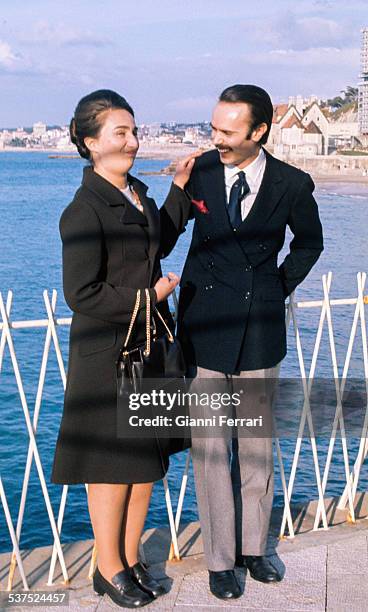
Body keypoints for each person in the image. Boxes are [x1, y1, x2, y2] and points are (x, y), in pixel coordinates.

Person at [163, 84, 324, 600]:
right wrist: (175, 190)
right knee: (211, 452)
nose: (217, 139)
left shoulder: (293, 184)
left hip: (258, 331)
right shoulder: (201, 172)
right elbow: (164, 239)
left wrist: (279, 284)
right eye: (214, 128)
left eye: (228, 131)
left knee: (255, 449)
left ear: (259, 131)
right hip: (204, 328)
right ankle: (220, 560)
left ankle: (255, 548)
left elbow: (310, 242)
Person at [51, 89, 197, 608]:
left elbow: (157, 238)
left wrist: (178, 187)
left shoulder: (134, 190)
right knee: (111, 468)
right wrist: (147, 296)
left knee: (145, 462)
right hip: (108, 355)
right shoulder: (83, 209)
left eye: (134, 131)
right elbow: (80, 293)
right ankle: (107, 568)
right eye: (121, 132)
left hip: (150, 348)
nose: (133, 140)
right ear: (91, 143)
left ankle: (130, 558)